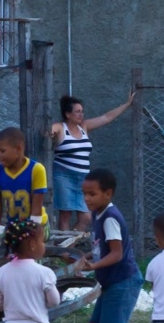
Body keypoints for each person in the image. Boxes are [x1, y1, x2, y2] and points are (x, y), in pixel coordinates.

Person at [71, 168, 141, 323]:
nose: (87, 199)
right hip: (112, 282)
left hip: (123, 280)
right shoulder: (99, 215)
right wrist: (88, 256)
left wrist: (94, 265)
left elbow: (117, 254)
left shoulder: (110, 217)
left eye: (92, 194)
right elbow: (103, 247)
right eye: (84, 194)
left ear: (108, 193)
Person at [48, 91, 135, 233]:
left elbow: (106, 117)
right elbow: (51, 130)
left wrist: (127, 104)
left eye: (82, 111)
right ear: (68, 114)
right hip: (64, 176)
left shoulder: (84, 127)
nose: (81, 114)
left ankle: (67, 246)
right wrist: (50, 133)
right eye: (77, 112)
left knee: (86, 217)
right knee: (65, 215)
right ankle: (64, 250)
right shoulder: (60, 127)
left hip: (83, 179)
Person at [0, 126, 48, 250]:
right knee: (8, 254)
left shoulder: (36, 169)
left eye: (2, 151)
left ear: (18, 149)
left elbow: (36, 209)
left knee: (29, 254)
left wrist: (33, 237)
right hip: (14, 226)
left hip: (38, 225)